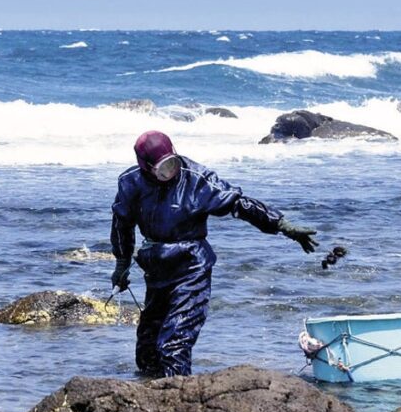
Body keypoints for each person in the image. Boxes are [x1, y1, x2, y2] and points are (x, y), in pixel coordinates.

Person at [110, 131, 317, 377]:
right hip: (156, 268)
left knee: (174, 344)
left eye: (173, 163)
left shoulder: (197, 180)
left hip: (191, 268)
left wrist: (282, 225)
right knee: (148, 348)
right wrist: (122, 264)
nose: (171, 172)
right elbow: (122, 224)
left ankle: (178, 403)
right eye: (163, 169)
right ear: (146, 167)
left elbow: (239, 204)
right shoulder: (130, 183)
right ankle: (148, 401)